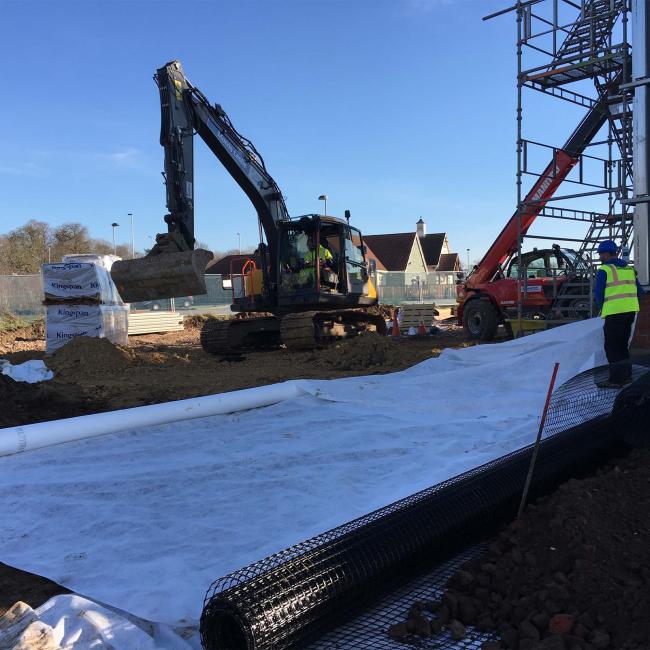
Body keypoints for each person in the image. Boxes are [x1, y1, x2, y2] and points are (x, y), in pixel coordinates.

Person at [594, 239, 643, 388]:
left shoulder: (605, 270)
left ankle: (616, 380)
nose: (600, 257)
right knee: (622, 346)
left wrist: (602, 308)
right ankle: (626, 377)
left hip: (614, 313)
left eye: (601, 254)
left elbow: (599, 295)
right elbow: (639, 292)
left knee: (612, 347)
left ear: (607, 254)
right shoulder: (629, 269)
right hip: (630, 312)